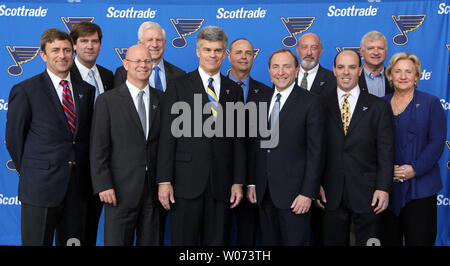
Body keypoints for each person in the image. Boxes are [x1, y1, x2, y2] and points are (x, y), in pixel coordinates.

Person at [157, 26, 245, 246]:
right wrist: (164, 181)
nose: (212, 55)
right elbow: (167, 136)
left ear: (224, 54)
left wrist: (237, 181)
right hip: (185, 183)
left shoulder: (233, 90)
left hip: (221, 183)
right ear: (198, 52)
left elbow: (238, 141)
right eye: (207, 50)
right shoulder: (178, 86)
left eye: (217, 50)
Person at [5, 28, 95, 246]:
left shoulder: (87, 90)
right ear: (43, 55)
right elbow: (14, 140)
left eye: (66, 50)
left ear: (73, 52)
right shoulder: (25, 90)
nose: (62, 55)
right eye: (55, 50)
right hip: (40, 188)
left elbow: (84, 138)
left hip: (77, 190)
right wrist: (34, 172)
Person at [247, 49, 325, 246]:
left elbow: (316, 152)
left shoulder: (311, 102)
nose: (280, 72)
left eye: (286, 66)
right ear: (269, 70)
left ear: (297, 69)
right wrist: (252, 183)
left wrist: (308, 192)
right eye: (275, 67)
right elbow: (254, 147)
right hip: (265, 194)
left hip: (295, 196)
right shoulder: (259, 99)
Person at [90, 45, 164, 246]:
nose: (143, 65)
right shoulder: (107, 101)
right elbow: (98, 147)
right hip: (119, 191)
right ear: (126, 64)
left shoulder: (162, 99)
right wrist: (103, 184)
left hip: (153, 192)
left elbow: (166, 146)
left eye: (147, 61)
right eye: (137, 61)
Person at [318, 50, 394, 246]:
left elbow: (386, 152)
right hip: (330, 192)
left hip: (368, 192)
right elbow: (314, 149)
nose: (346, 72)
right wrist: (315, 185)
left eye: (352, 67)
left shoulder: (378, 107)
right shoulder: (319, 105)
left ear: (360, 70)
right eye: (341, 67)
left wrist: (383, 188)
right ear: (334, 70)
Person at [380, 52, 446, 246]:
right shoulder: (380, 104)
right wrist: (386, 171)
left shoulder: (431, 103)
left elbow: (437, 142)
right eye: (397, 71)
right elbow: (372, 145)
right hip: (388, 189)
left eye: (408, 71)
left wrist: (413, 169)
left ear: (417, 76)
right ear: (390, 75)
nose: (403, 76)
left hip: (421, 187)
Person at [69, 21, 114, 246]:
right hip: (72, 171)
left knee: (91, 230)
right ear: (74, 46)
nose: (90, 46)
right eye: (84, 41)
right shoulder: (64, 76)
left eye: (94, 41)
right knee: (72, 236)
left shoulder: (109, 76)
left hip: (102, 171)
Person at [227, 38, 271, 246]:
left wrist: (252, 180)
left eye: (248, 53)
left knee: (248, 235)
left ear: (254, 57)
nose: (244, 57)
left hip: (254, 177)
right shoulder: (212, 89)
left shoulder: (266, 93)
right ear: (228, 56)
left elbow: (266, 141)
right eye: (238, 52)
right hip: (220, 177)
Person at [113, 21, 185, 91]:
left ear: (164, 43)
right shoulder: (123, 73)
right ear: (140, 43)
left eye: (158, 40)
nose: (155, 45)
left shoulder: (179, 74)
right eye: (150, 40)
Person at [359, 31, 393, 97]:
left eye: (380, 48)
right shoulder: (353, 78)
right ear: (362, 52)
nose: (376, 53)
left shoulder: (395, 78)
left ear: (386, 52)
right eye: (371, 48)